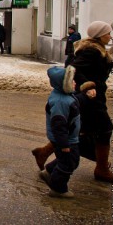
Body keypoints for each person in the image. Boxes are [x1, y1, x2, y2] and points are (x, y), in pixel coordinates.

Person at [32, 21, 113, 183]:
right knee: (103, 129)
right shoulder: (91, 51)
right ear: (100, 35)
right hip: (90, 98)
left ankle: (48, 158)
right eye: (108, 33)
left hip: (94, 97)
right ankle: (100, 169)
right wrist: (87, 86)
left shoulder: (97, 49)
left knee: (80, 131)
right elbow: (73, 70)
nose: (110, 36)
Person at [39, 66, 81, 198]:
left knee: (67, 160)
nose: (75, 82)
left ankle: (49, 171)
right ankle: (58, 188)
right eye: (72, 81)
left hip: (68, 137)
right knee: (68, 163)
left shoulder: (65, 95)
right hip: (65, 140)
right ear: (64, 84)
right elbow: (59, 126)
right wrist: (64, 145)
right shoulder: (60, 102)